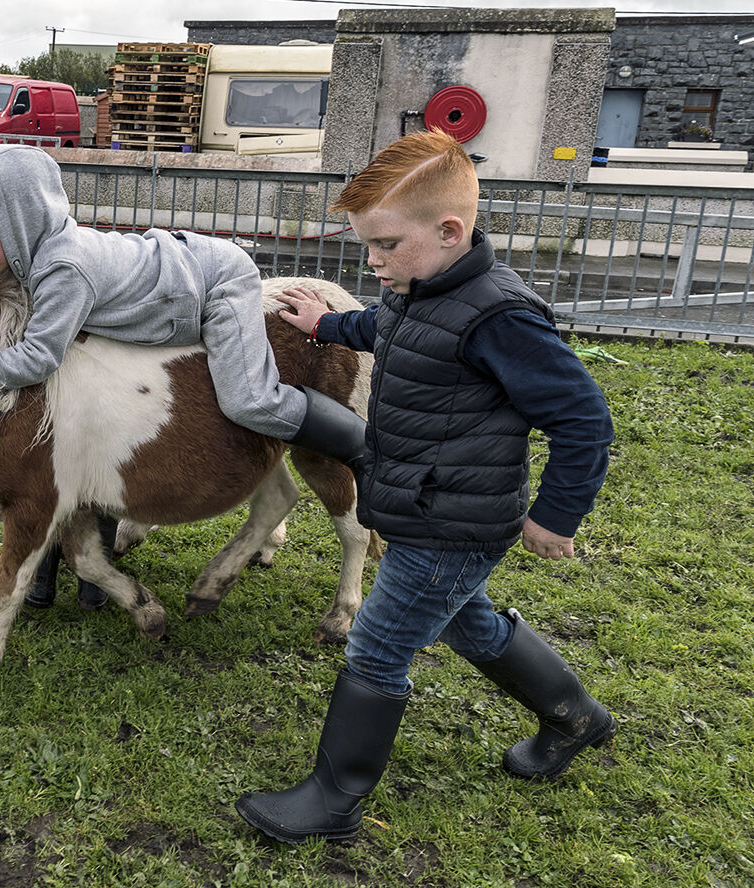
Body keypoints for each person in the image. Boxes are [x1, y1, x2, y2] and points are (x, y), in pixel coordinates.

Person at [234, 130, 617, 845]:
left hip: (453, 520)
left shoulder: (501, 315)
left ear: (450, 230)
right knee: (466, 622)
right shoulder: (422, 287)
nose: (372, 262)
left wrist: (556, 515)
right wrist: (327, 323)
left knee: (376, 647)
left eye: (383, 245)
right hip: (421, 502)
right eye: (366, 248)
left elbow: (584, 418)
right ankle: (575, 717)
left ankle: (334, 798)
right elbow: (388, 328)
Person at [0, 144, 369, 606]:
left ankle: (353, 440)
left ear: (24, 218)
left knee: (247, 399)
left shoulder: (63, 267)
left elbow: (38, 358)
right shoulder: (34, 254)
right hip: (174, 286)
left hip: (216, 284)